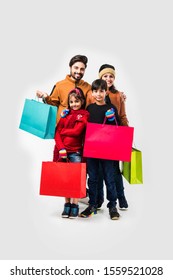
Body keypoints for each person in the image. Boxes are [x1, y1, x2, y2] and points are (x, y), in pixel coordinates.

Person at [36, 54, 92, 161]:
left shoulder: (88, 87)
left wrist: (116, 93)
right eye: (76, 68)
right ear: (70, 67)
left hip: (80, 138)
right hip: (61, 136)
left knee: (78, 171)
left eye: (82, 69)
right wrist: (45, 97)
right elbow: (52, 104)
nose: (78, 71)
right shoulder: (60, 85)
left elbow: (98, 96)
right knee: (60, 171)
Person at [80, 79, 121, 220]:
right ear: (92, 93)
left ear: (106, 92)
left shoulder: (111, 109)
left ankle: (112, 206)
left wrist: (112, 118)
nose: (98, 94)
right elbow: (83, 126)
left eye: (101, 91)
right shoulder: (89, 109)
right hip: (91, 149)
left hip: (107, 150)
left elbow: (118, 128)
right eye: (96, 91)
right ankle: (92, 204)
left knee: (109, 178)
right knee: (92, 178)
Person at [97, 64, 129, 210]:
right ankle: (98, 200)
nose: (108, 79)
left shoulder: (118, 95)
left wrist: (127, 134)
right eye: (105, 76)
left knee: (115, 170)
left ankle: (120, 197)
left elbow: (122, 116)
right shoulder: (95, 93)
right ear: (100, 77)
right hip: (98, 137)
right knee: (99, 170)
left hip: (114, 137)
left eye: (111, 76)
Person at [54, 88, 89, 218]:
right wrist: (61, 148)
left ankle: (75, 204)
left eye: (77, 101)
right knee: (65, 179)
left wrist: (63, 131)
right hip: (62, 152)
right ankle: (67, 204)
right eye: (72, 102)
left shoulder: (84, 114)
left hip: (75, 152)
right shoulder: (65, 115)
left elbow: (77, 131)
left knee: (75, 179)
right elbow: (56, 133)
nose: (74, 104)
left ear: (82, 101)